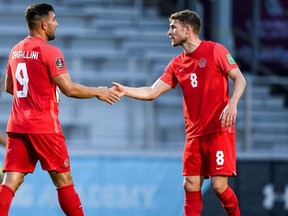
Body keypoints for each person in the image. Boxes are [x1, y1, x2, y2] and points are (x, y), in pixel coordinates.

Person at [113, 10, 246, 216]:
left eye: (173, 27)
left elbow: (240, 78)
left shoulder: (215, 50)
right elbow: (152, 91)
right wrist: (126, 91)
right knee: (190, 185)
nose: (169, 32)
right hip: (194, 135)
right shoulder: (177, 64)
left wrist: (233, 104)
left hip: (218, 129)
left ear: (188, 29)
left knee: (219, 186)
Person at [0, 3, 119, 216]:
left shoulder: (15, 50)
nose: (57, 24)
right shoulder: (49, 51)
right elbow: (70, 89)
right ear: (44, 24)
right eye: (54, 20)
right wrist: (98, 91)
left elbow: (10, 87)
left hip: (17, 125)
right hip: (44, 127)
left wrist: (39, 92)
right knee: (64, 180)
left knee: (11, 180)